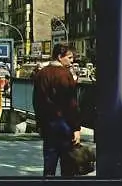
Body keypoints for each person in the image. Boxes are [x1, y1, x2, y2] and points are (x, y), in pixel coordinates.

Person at [32, 43, 81, 177]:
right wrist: (76, 128)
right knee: (68, 166)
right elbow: (71, 104)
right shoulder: (64, 75)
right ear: (60, 57)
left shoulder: (42, 74)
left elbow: (37, 102)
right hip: (64, 125)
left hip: (48, 124)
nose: (72, 61)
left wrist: (39, 124)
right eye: (70, 58)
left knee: (49, 164)